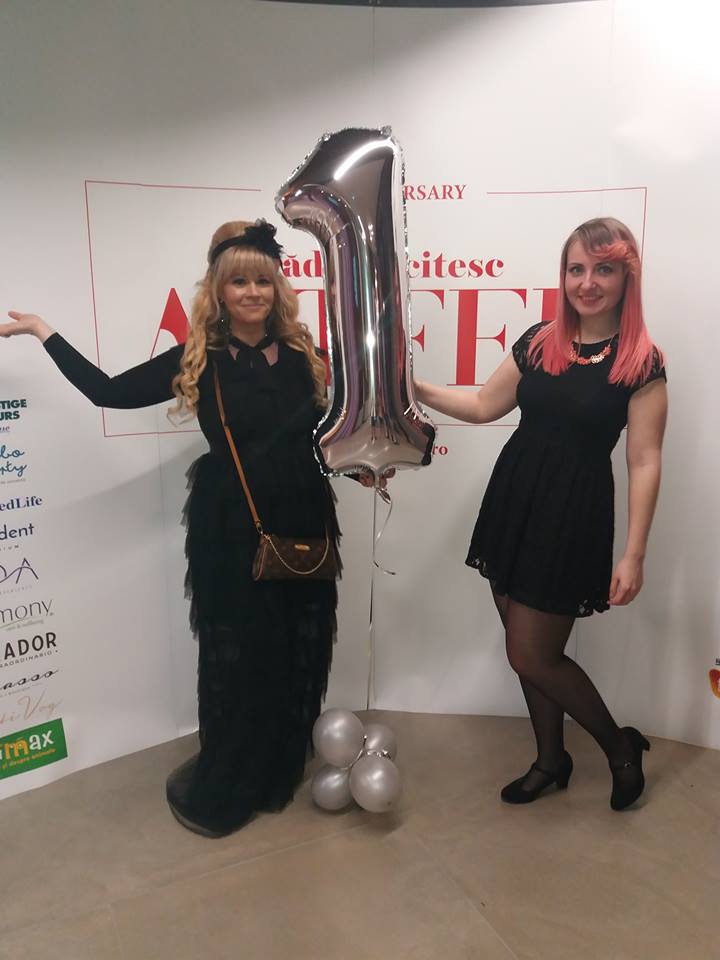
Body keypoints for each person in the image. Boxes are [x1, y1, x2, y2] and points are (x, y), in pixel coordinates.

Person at [3, 219, 347, 837]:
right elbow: (107, 392)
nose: (252, 292)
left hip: (303, 513)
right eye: (238, 281)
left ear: (277, 287)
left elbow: (335, 427)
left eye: (262, 280)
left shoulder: (306, 355)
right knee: (239, 652)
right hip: (231, 525)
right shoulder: (199, 357)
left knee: (297, 643)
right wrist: (42, 331)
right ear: (218, 290)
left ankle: (276, 762)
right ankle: (235, 772)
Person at [415, 217, 667, 810]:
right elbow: (483, 405)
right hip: (516, 499)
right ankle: (551, 760)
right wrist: (415, 388)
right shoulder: (539, 340)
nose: (588, 282)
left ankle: (619, 746)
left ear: (626, 279)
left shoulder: (641, 361)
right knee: (525, 646)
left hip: (572, 514)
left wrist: (634, 554)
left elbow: (644, 461)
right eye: (576, 269)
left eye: (603, 269)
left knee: (532, 653)